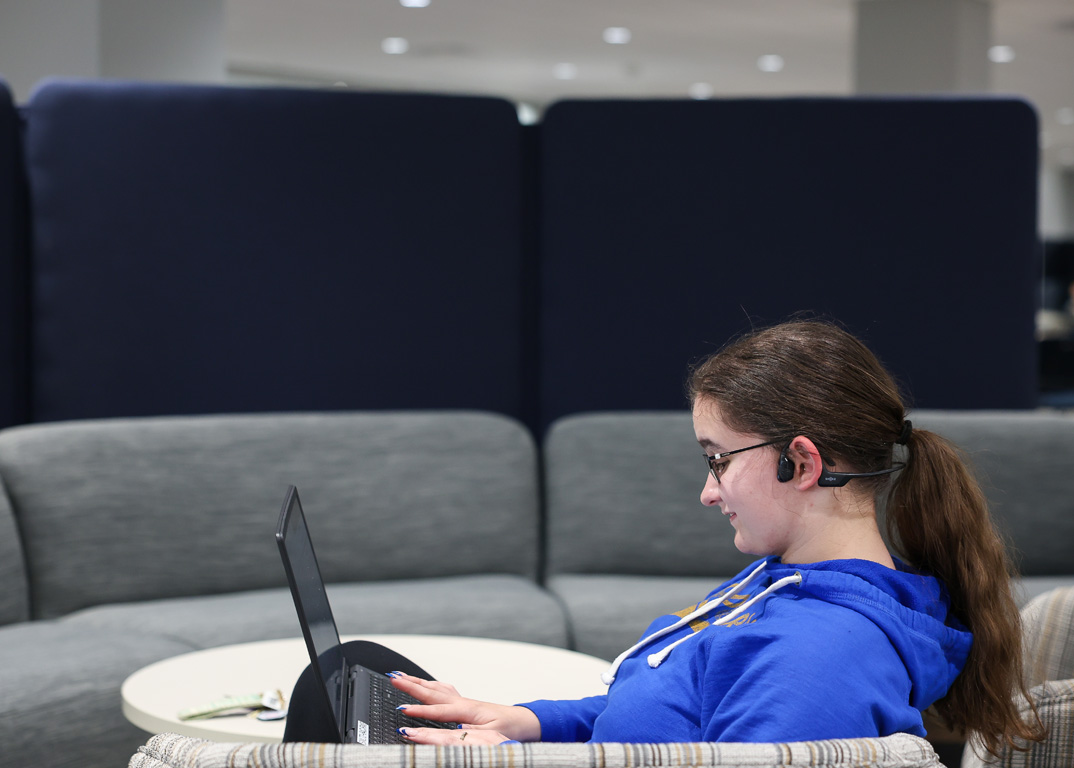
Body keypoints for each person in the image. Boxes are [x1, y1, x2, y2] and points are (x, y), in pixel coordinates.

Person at [390, 320, 1045, 757]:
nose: (708, 492)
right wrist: (524, 723)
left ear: (803, 463)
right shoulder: (789, 580)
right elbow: (665, 714)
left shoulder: (814, 662)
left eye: (718, 459)